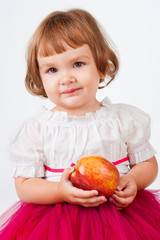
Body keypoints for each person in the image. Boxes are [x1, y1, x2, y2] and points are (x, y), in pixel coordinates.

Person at [0, 8, 160, 240]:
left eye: (78, 64)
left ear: (101, 64)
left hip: (121, 217)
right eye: (52, 69)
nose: (67, 78)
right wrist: (59, 191)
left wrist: (131, 180)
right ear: (40, 78)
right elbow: (24, 186)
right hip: (57, 223)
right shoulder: (37, 129)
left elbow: (148, 164)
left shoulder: (122, 119)